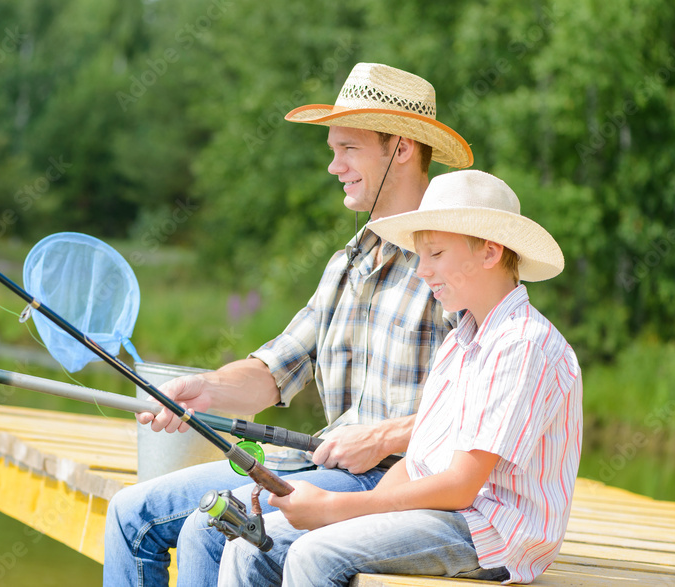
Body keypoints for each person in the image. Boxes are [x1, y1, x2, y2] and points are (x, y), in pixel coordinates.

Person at [102, 62, 474, 587]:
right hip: (317, 462)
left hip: (394, 481)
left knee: (208, 529)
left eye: (349, 149)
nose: (333, 166)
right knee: (127, 513)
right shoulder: (346, 263)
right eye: (332, 150)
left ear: (401, 149)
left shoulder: (449, 261)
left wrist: (385, 435)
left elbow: (487, 404)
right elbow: (278, 366)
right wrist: (201, 390)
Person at [217, 169, 583, 586]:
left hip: (488, 532)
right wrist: (355, 506)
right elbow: (418, 462)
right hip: (441, 515)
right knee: (250, 543)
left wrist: (335, 508)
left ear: (489, 252)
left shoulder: (522, 342)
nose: (422, 270)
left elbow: (462, 487)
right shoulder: (462, 341)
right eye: (420, 255)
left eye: (436, 254)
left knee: (314, 555)